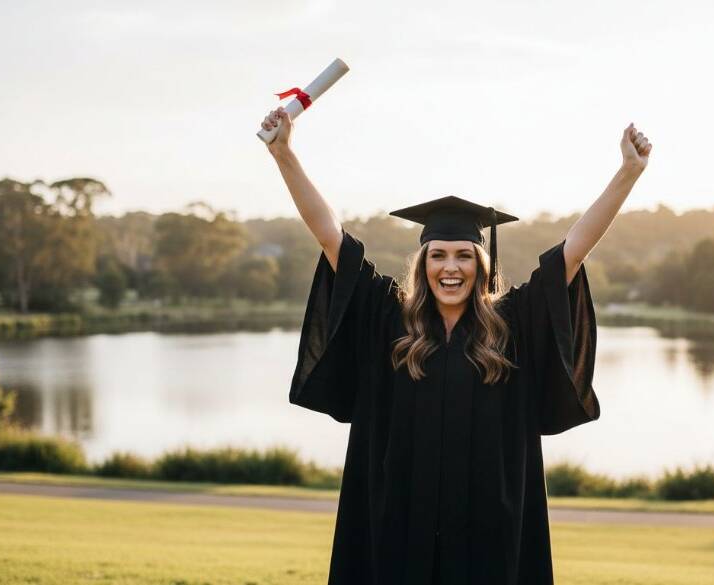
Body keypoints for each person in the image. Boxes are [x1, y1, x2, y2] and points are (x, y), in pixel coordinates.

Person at [262, 107, 651, 585]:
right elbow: (330, 235)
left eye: (465, 255)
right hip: (397, 527)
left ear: (482, 264)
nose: (451, 267)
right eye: (439, 255)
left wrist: (628, 171)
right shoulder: (389, 319)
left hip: (488, 532)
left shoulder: (512, 326)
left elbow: (572, 251)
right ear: (423, 261)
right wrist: (284, 153)